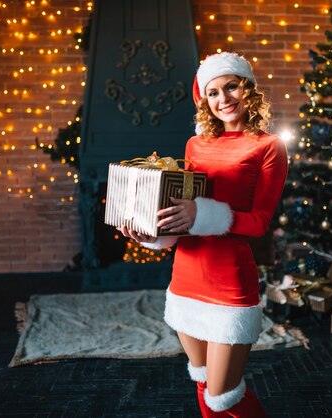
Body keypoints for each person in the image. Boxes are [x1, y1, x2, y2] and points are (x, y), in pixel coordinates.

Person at [119, 52, 288, 417]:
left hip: (230, 282)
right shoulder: (195, 146)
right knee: (202, 379)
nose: (223, 99)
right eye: (213, 93)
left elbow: (259, 222)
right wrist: (148, 232)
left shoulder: (268, 146)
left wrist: (202, 214)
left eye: (231, 87)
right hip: (186, 278)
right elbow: (182, 214)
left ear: (248, 90)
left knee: (223, 393)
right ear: (204, 101)